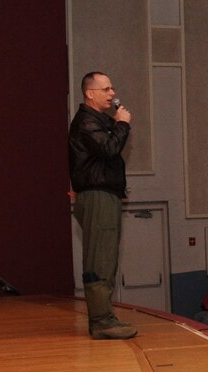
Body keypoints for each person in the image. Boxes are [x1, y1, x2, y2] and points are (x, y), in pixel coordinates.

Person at [69, 71, 137, 340]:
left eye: (112, 89)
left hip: (103, 194)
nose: (112, 94)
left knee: (106, 256)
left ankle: (104, 316)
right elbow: (109, 148)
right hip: (97, 196)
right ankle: (101, 321)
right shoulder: (86, 122)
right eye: (106, 89)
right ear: (90, 93)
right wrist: (123, 125)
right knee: (100, 258)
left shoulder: (96, 120)